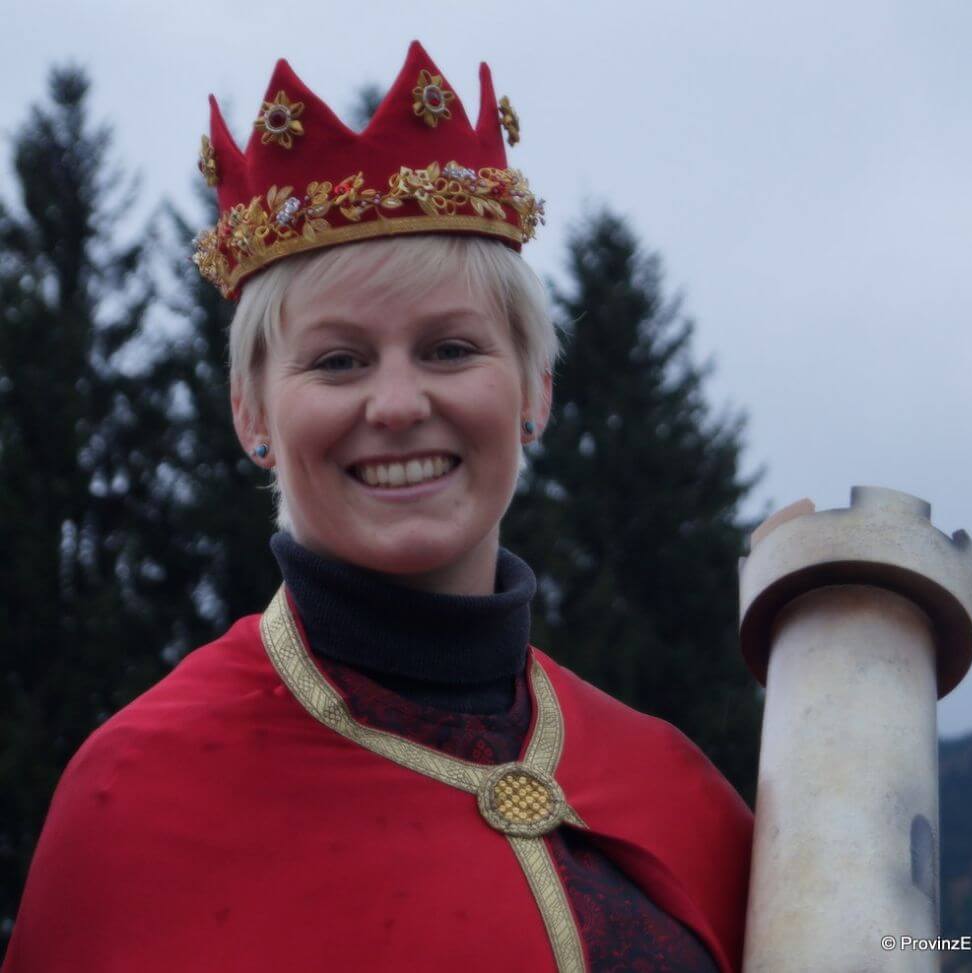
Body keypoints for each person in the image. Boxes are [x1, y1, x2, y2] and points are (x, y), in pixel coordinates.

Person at [3, 41, 752, 972]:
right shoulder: (135, 795)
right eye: (338, 361)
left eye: (450, 349)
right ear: (250, 414)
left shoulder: (674, 786)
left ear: (535, 391)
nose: (397, 405)